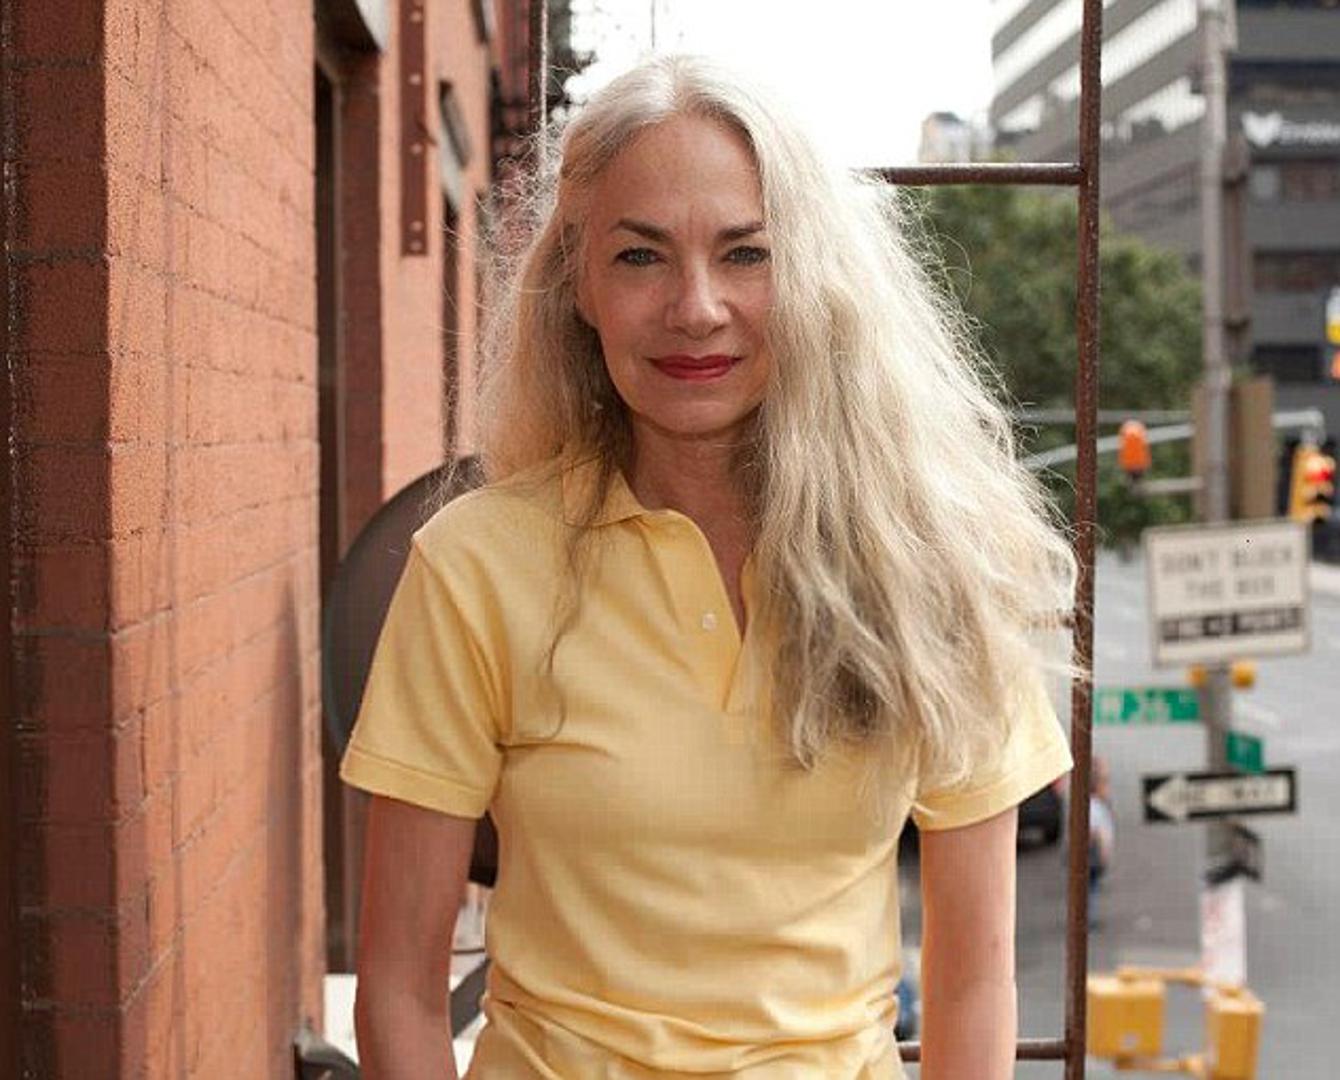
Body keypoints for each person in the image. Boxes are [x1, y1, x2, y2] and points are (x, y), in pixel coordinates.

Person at [341, 54, 1077, 1080]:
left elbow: (972, 984)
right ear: (579, 285)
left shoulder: (928, 561)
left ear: (813, 276)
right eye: (640, 256)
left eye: (746, 254)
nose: (695, 307)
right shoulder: (476, 564)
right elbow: (399, 991)